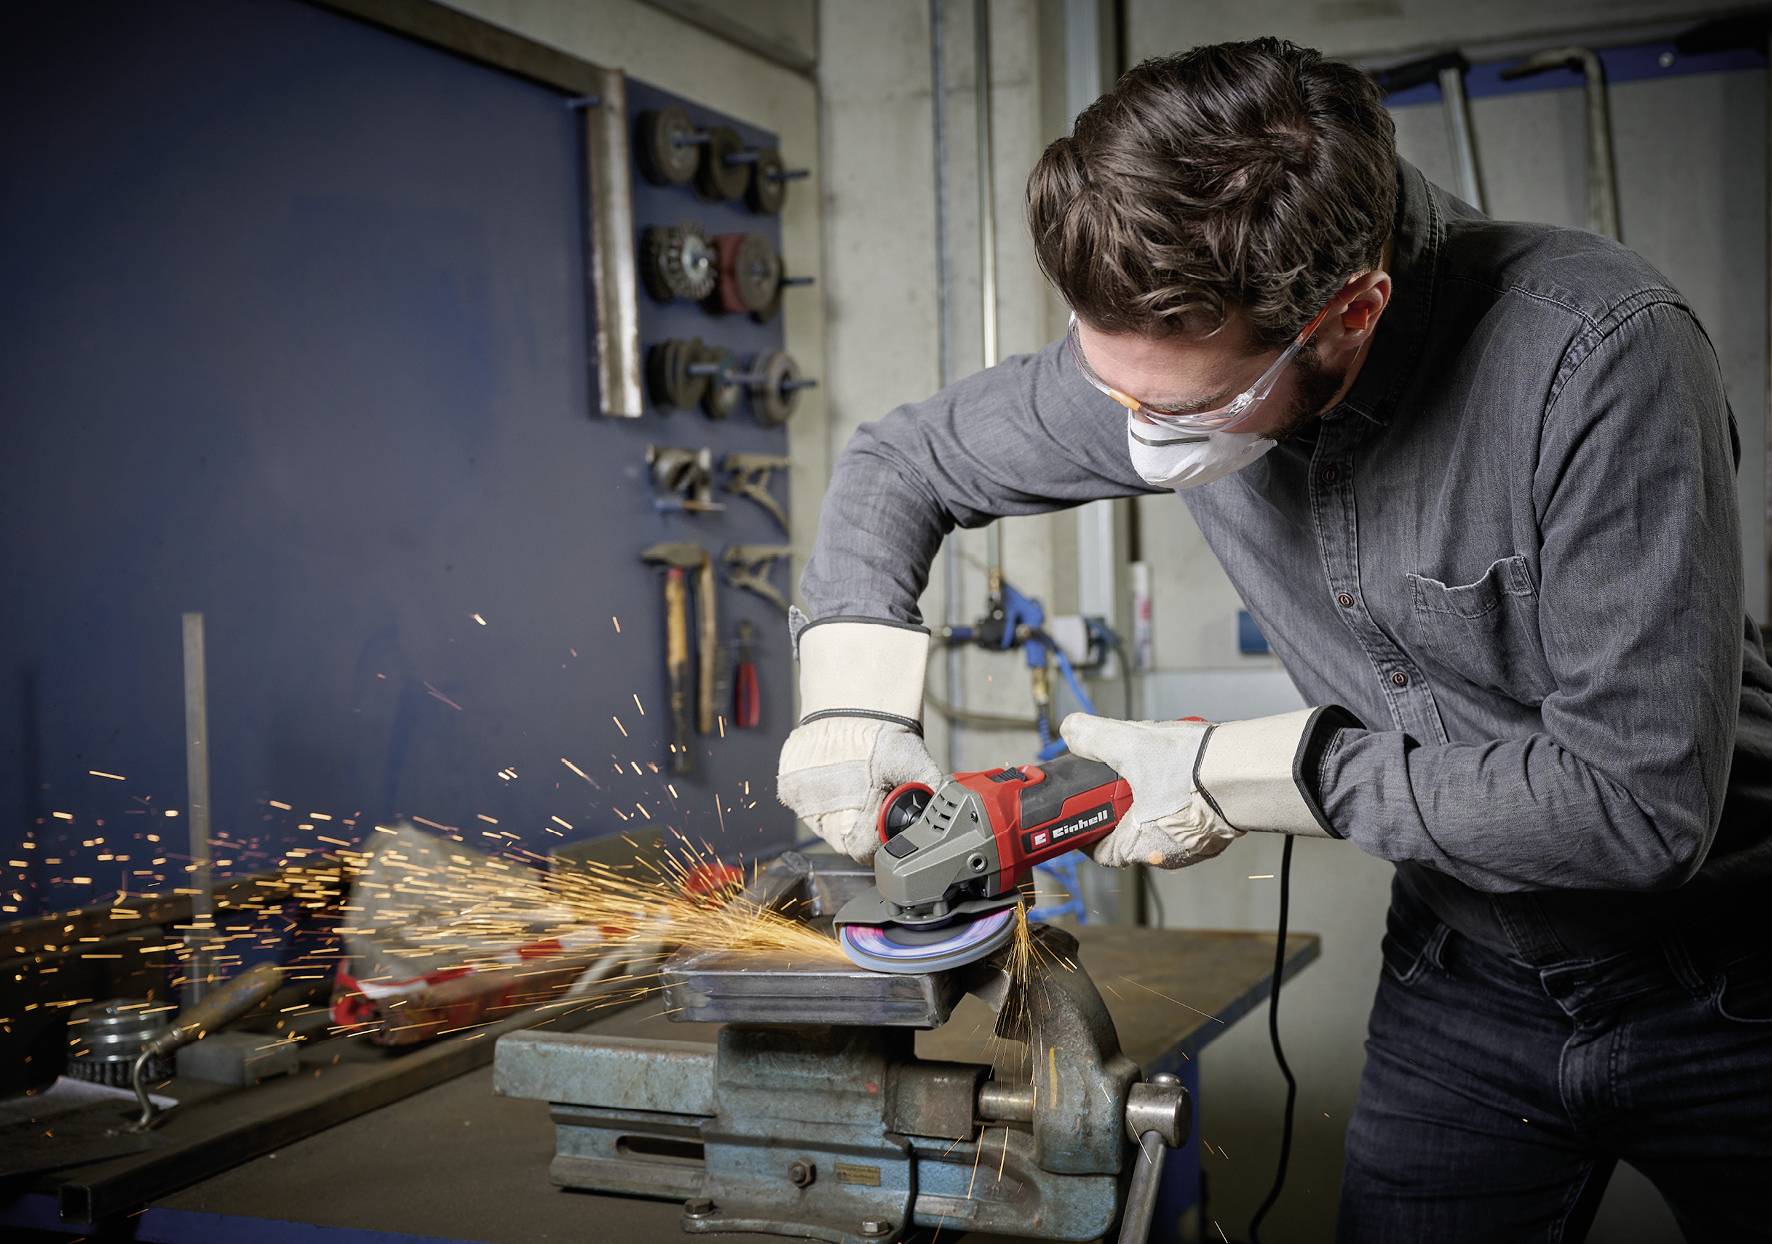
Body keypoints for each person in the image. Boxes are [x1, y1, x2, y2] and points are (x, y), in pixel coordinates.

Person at [775, 36, 1772, 1243]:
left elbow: (1635, 807)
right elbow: (904, 461)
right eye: (1114, 394)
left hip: (1728, 971)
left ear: (1347, 313)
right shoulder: (1173, 339)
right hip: (1461, 973)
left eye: (1177, 410)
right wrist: (851, 699)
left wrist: (1237, 771)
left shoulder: (1596, 354)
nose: (1135, 436)